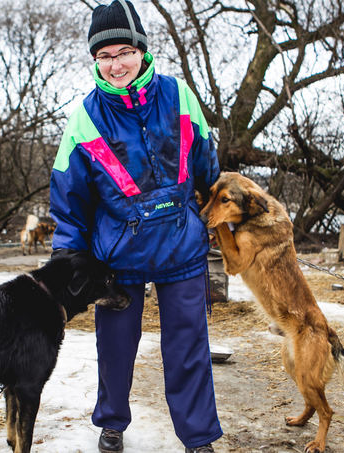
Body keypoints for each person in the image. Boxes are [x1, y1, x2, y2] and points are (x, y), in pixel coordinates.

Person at [49, 1, 222, 452]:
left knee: (188, 349)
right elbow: (69, 199)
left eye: (123, 51)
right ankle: (112, 423)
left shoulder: (179, 95)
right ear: (95, 61)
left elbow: (206, 165)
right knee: (116, 348)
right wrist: (69, 259)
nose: (115, 64)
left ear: (142, 51)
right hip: (118, 255)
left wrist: (217, 214)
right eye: (104, 56)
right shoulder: (85, 117)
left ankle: (198, 436)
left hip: (181, 245)